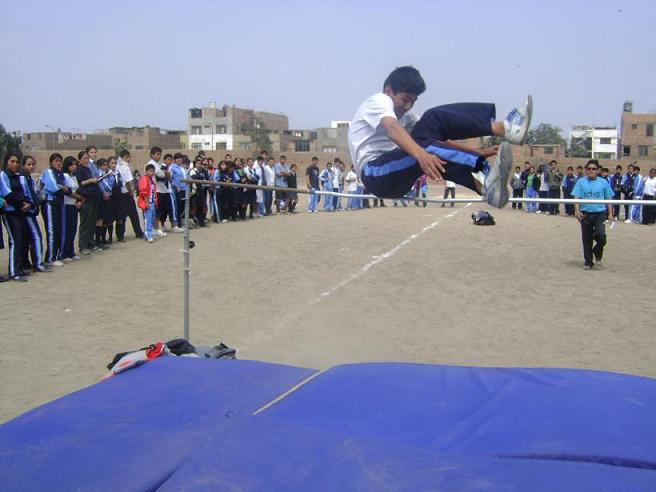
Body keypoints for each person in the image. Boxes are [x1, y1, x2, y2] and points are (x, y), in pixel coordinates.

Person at [347, 66, 531, 209]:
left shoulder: (406, 116)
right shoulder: (379, 100)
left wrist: (477, 151)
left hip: (395, 172)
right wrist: (421, 154)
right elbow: (392, 128)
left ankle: (504, 128)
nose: (408, 106)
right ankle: (486, 183)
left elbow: (438, 138)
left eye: (413, 101)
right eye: (405, 99)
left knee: (432, 118)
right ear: (388, 91)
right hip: (374, 174)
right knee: (426, 149)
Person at [571, 160, 613, 270]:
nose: (591, 171)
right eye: (589, 168)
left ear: (598, 170)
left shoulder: (603, 182)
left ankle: (597, 252)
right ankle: (588, 261)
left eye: (594, 169)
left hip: (600, 214)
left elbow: (609, 198)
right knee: (587, 238)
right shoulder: (581, 182)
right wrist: (576, 210)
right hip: (585, 213)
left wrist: (611, 213)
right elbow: (576, 197)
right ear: (585, 170)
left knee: (601, 235)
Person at [0, 153, 30, 281]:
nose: (15, 164)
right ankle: (13, 272)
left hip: (19, 211)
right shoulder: (3, 175)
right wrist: (21, 203)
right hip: (10, 211)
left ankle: (18, 268)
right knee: (15, 240)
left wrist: (27, 203)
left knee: (21, 240)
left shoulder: (17, 177)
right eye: (12, 161)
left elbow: (22, 192)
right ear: (6, 162)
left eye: (17, 162)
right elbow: (7, 193)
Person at [40, 153, 69, 265]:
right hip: (50, 203)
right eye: (56, 161)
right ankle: (50, 258)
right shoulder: (48, 172)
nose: (58, 163)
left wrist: (65, 189)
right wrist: (64, 189)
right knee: (52, 230)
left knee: (60, 230)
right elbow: (54, 188)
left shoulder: (61, 174)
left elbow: (68, 188)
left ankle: (58, 255)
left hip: (59, 203)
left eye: (60, 161)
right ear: (51, 162)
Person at [20, 155, 47, 273]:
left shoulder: (29, 178)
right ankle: (38, 263)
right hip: (27, 212)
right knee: (36, 237)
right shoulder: (22, 178)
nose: (31, 167)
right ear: (23, 165)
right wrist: (31, 203)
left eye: (32, 164)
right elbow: (25, 195)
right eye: (28, 164)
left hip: (31, 211)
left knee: (27, 239)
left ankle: (28, 263)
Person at [75, 150, 102, 255]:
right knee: (85, 223)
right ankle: (83, 246)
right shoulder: (79, 170)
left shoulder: (88, 169)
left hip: (94, 198)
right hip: (86, 199)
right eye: (84, 158)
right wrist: (91, 180)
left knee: (92, 223)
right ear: (80, 159)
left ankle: (91, 243)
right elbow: (80, 183)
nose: (86, 160)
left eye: (87, 158)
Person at [116, 150, 143, 240]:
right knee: (133, 214)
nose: (129, 159)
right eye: (127, 157)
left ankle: (120, 235)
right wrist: (131, 193)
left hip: (119, 193)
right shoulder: (125, 167)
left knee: (122, 215)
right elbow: (128, 182)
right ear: (122, 157)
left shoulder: (117, 165)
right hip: (126, 193)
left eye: (129, 157)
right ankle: (138, 232)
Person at [61, 156, 83, 261]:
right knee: (67, 229)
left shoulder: (74, 176)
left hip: (74, 205)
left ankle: (71, 252)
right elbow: (66, 191)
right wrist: (78, 198)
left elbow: (77, 190)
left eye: (75, 164)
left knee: (73, 229)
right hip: (66, 205)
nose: (74, 167)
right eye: (72, 165)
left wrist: (79, 201)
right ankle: (65, 253)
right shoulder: (64, 176)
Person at [137, 164, 158, 243]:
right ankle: (148, 235)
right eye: (150, 171)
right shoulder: (144, 179)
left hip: (152, 202)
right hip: (148, 202)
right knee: (148, 219)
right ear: (146, 172)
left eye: (153, 171)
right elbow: (143, 192)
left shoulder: (151, 180)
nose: (152, 173)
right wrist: (146, 202)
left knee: (152, 219)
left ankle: (149, 233)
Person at [170, 152, 188, 227]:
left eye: (180, 158)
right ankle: (177, 224)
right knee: (178, 206)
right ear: (174, 160)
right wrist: (176, 186)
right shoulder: (173, 167)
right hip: (177, 189)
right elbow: (170, 179)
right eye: (177, 158)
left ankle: (182, 221)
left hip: (185, 189)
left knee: (184, 206)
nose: (179, 160)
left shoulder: (183, 168)